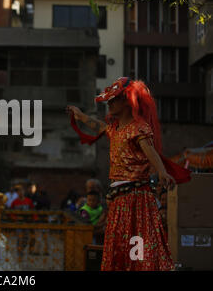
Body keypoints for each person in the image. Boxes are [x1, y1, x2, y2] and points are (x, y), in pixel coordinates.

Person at [67, 77, 177, 271]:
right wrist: (81, 116)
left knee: (137, 243)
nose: (109, 104)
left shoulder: (138, 128)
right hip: (119, 199)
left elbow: (151, 151)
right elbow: (100, 127)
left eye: (113, 100)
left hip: (136, 199)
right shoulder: (116, 130)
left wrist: (161, 171)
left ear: (127, 102)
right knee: (120, 247)